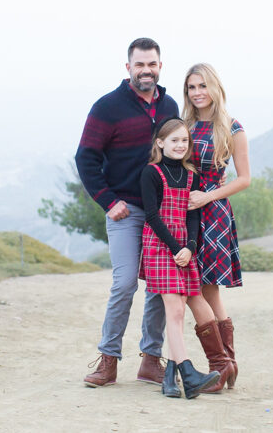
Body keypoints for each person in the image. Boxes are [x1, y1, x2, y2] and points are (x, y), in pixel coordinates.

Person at [76, 38, 178, 387]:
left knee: (159, 286)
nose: (146, 71)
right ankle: (108, 360)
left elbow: (178, 152)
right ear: (128, 67)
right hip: (126, 210)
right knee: (124, 283)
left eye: (152, 64)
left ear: (160, 66)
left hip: (162, 212)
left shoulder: (170, 105)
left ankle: (151, 360)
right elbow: (85, 158)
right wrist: (108, 200)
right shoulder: (107, 107)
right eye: (139, 65)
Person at [139, 118, 222, 399]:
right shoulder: (151, 173)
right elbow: (151, 216)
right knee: (174, 311)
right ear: (160, 143)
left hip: (185, 249)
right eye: (174, 140)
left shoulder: (191, 175)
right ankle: (188, 373)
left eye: (184, 141)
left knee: (188, 305)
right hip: (160, 247)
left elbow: (193, 215)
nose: (180, 145)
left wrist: (189, 246)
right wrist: (176, 249)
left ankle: (171, 379)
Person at [183, 63, 251, 392]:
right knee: (206, 289)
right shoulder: (183, 126)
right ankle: (228, 363)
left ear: (214, 88)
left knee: (204, 287)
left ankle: (222, 364)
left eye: (202, 86)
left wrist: (207, 196)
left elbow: (244, 179)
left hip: (214, 211)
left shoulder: (232, 127)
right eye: (192, 87)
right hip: (186, 212)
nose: (197, 93)